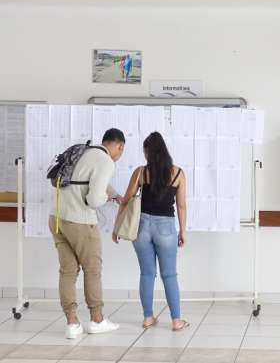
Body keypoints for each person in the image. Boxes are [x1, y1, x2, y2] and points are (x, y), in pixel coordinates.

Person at [49, 128, 125, 339]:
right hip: (79, 221)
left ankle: (72, 324)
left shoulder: (85, 151)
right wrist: (107, 199)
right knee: (92, 269)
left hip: (56, 217)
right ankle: (97, 319)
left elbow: (86, 179)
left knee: (68, 271)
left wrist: (114, 194)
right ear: (120, 146)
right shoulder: (106, 161)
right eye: (122, 151)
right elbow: (93, 200)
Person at [114, 131, 189, 331]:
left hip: (142, 226)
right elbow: (181, 206)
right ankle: (176, 321)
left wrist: (117, 228)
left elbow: (126, 200)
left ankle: (148, 317)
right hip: (166, 227)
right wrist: (182, 231)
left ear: (148, 152)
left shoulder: (140, 172)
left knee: (147, 274)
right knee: (170, 275)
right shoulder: (178, 173)